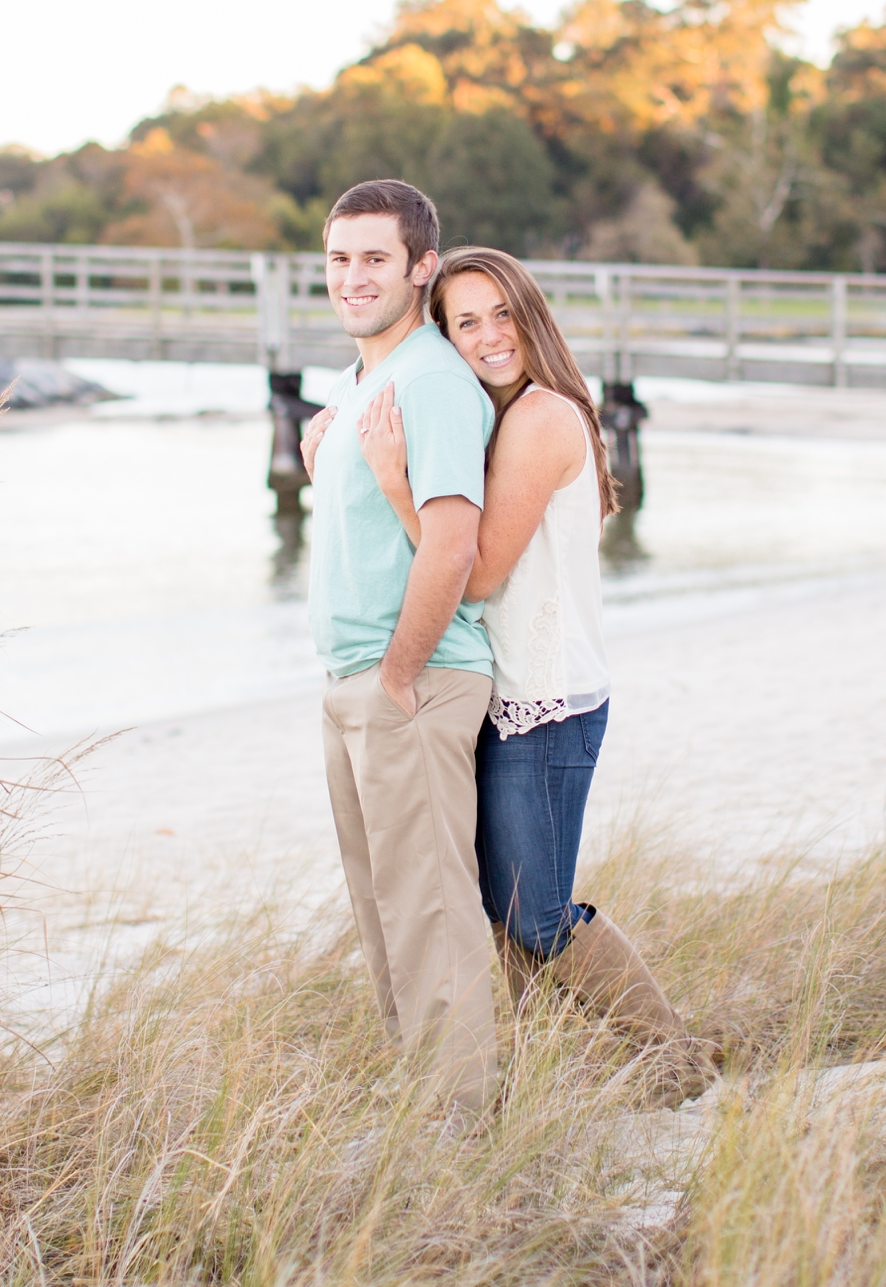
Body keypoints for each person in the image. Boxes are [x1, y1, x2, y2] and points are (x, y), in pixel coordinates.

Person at [304, 246, 718, 1107]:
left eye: (503, 314)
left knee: (536, 913)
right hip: (503, 695)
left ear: (531, 316)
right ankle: (550, 1074)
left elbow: (480, 571)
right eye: (466, 322)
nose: (489, 336)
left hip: (550, 701)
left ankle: (676, 1055)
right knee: (500, 912)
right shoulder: (487, 418)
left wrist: (389, 478)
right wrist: (338, 436)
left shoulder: (540, 419)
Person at [303, 180, 501, 1115]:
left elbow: (454, 540)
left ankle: (462, 1126)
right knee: (383, 913)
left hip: (412, 682)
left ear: (423, 268)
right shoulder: (363, 382)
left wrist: (397, 672)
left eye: (376, 258)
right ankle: (423, 1106)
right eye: (340, 258)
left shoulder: (429, 379)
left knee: (429, 913)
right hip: (354, 682)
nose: (353, 277)